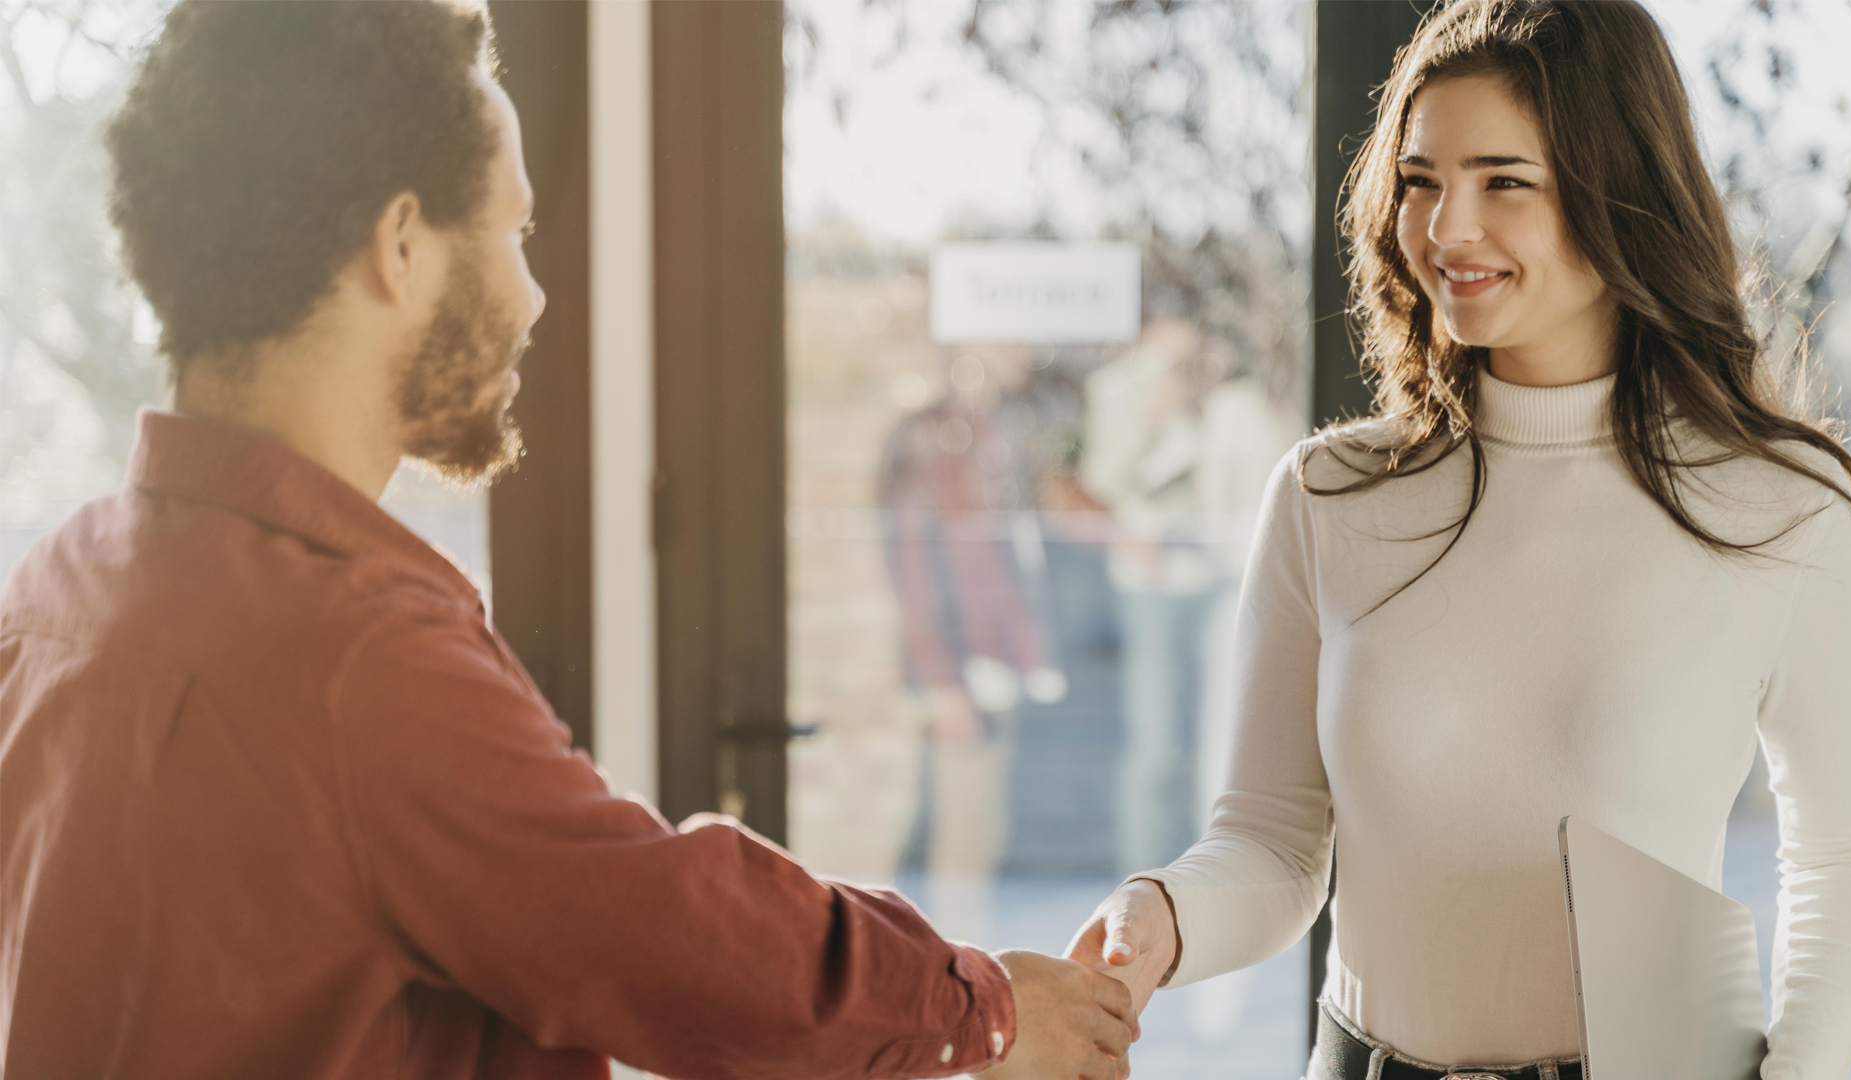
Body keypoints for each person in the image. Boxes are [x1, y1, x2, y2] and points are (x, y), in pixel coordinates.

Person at [0, 4, 1139, 1079]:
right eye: (514, 229)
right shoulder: (359, 658)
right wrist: (979, 1014)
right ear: (400, 247)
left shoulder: (56, 588)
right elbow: (667, 930)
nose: (535, 295)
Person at [1068, 3, 1851, 1079]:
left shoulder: (1783, 513)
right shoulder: (1329, 496)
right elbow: (1274, 844)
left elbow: (1843, 862)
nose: (1446, 228)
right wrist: (1162, 912)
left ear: (1621, 196)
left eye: (1504, 181)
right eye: (1420, 181)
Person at [880, 343, 1064, 946]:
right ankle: (954, 980)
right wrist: (939, 679)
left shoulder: (995, 430)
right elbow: (910, 566)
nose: (1019, 349)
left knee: (979, 829)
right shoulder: (928, 438)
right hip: (955, 667)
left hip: (996, 663)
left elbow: (1010, 553)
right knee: (958, 835)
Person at [1080, 313, 1218, 875]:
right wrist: (1146, 418)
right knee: (1157, 743)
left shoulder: (1210, 381)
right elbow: (1100, 480)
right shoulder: (1114, 388)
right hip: (1151, 583)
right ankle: (1142, 878)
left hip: (1217, 575)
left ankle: (1204, 876)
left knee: (1216, 742)